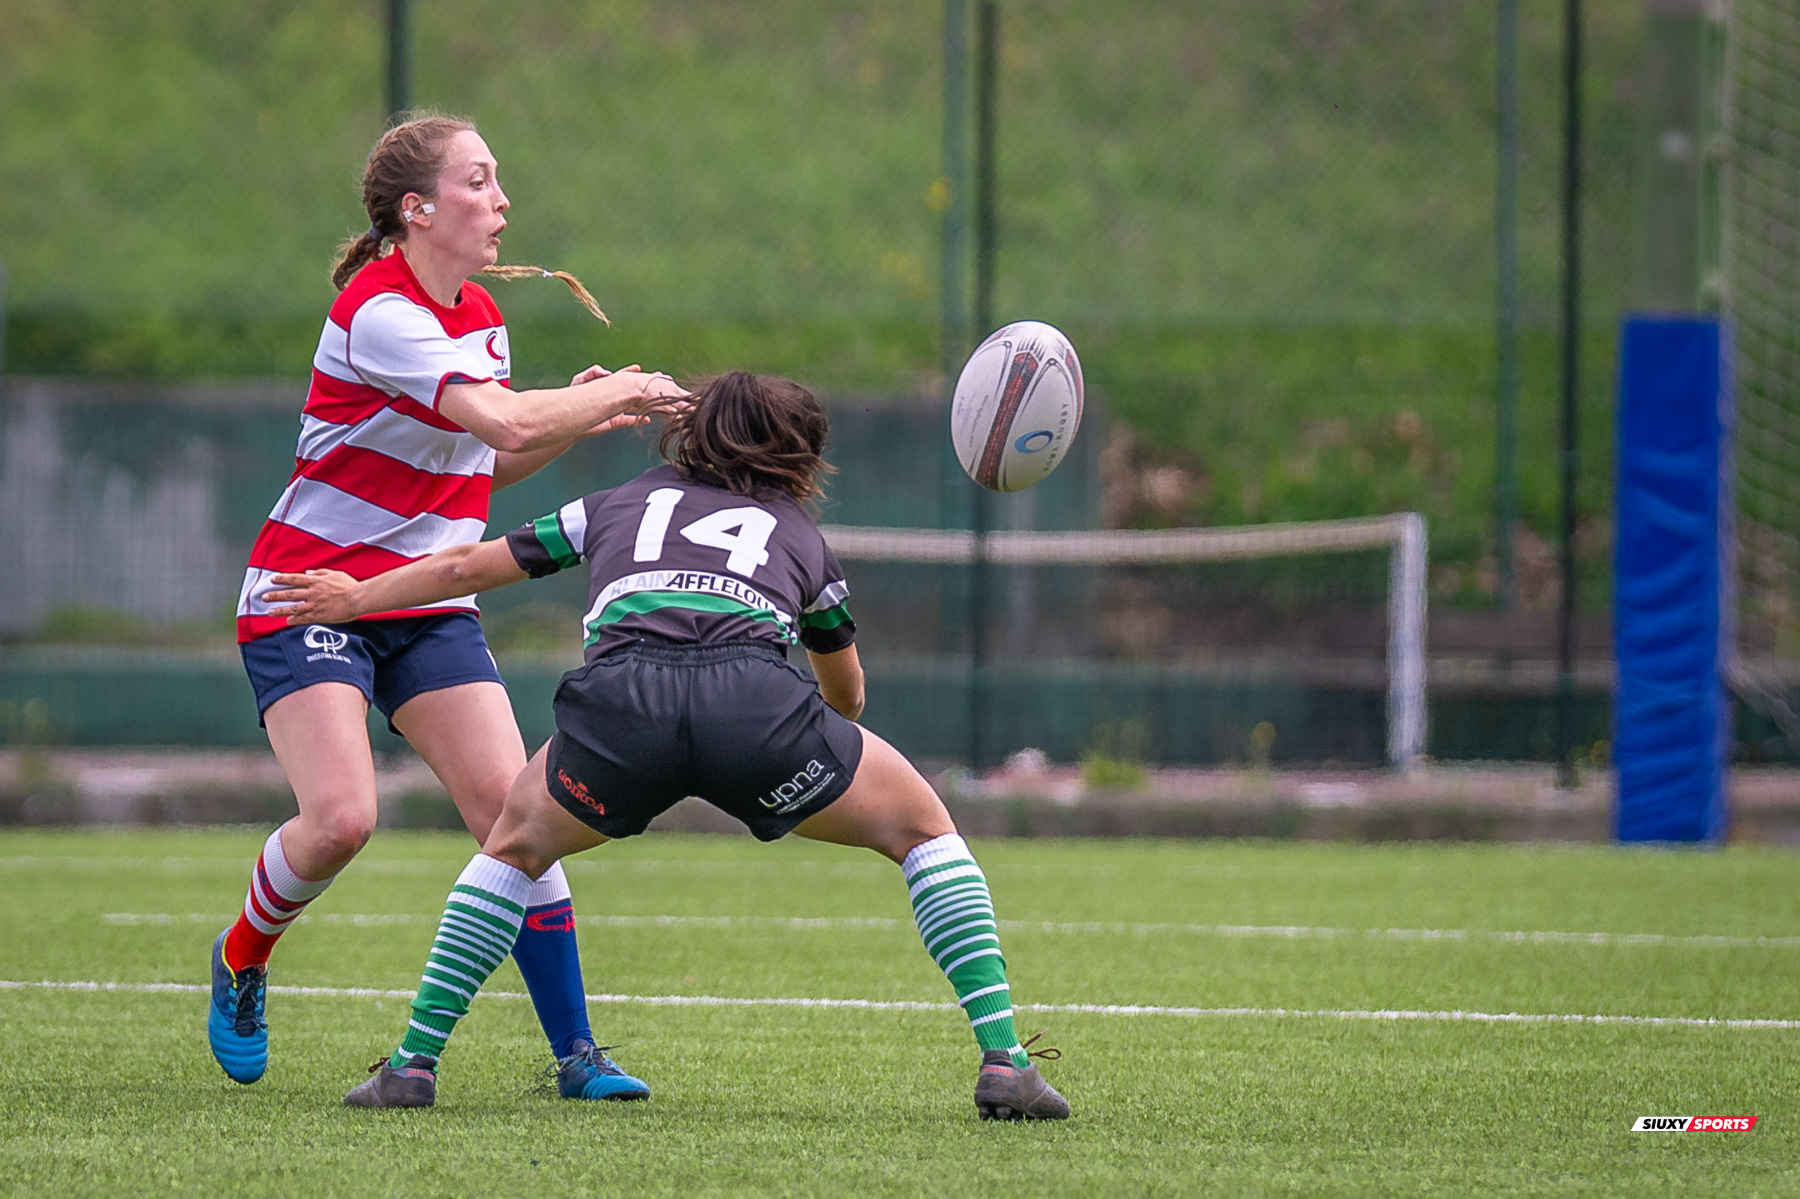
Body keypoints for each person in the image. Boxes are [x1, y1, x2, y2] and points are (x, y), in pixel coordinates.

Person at [264, 371, 1071, 1121]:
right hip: (756, 713)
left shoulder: (612, 504)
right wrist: (805, 746)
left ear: (695, 434)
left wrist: (357, 593)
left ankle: (412, 1063)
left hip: (621, 711)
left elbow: (463, 566)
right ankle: (1003, 1058)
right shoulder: (798, 537)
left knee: (511, 846)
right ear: (798, 455)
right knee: (926, 828)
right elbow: (848, 693)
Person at [210, 113, 687, 1102]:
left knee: (518, 816)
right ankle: (242, 953)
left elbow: (497, 451)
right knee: (342, 819)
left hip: (426, 599)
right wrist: (616, 389)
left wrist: (591, 411)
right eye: (480, 181)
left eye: (499, 180)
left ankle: (578, 1056)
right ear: (416, 209)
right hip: (312, 592)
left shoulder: (479, 316)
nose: (502, 200)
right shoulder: (379, 310)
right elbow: (502, 415)